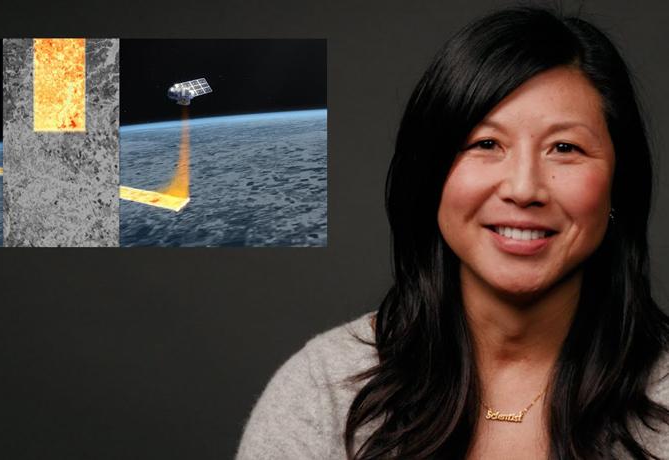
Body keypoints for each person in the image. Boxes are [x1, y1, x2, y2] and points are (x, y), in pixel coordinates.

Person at [236, 6, 669, 459]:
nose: (524, 189)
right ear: (431, 177)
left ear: (621, 184)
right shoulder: (325, 392)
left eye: (565, 148)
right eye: (486, 144)